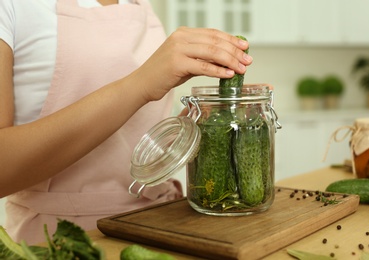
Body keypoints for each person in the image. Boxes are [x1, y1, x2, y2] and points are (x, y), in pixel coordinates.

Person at [0, 0, 252, 244]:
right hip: (62, 240)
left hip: (161, 225)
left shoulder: (138, 5)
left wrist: (205, 119)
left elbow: (132, 146)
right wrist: (140, 85)